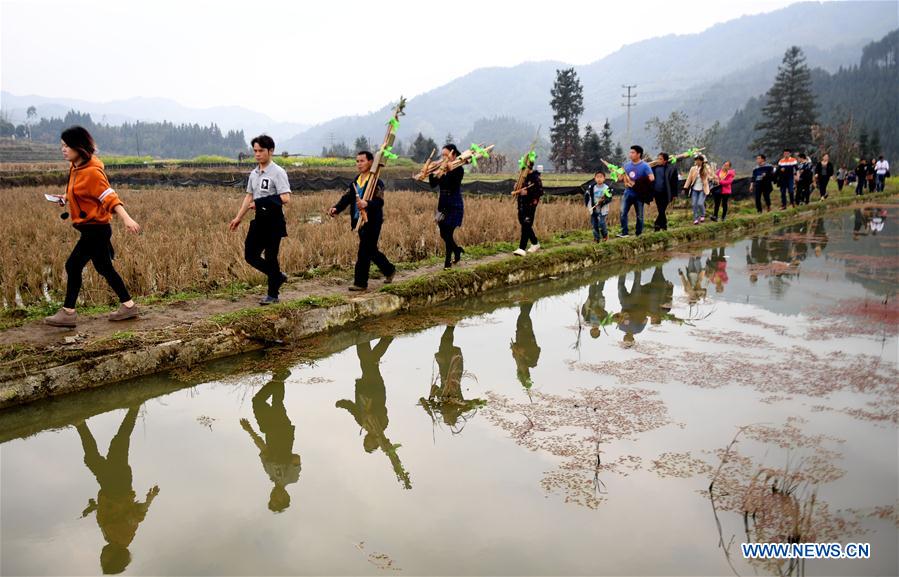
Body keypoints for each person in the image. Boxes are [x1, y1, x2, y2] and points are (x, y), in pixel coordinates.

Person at [45, 126, 142, 328]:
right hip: (90, 228)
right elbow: (81, 192)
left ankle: (68, 312)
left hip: (96, 229)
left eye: (67, 146)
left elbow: (109, 197)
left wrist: (126, 218)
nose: (63, 149)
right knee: (104, 268)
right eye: (62, 145)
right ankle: (129, 306)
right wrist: (65, 198)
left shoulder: (92, 172)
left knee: (73, 265)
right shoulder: (75, 167)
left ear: (79, 147)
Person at [76, 406, 158, 575]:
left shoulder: (112, 538)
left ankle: (82, 423)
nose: (101, 555)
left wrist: (94, 507)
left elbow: (113, 514)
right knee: (116, 444)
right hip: (118, 486)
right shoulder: (123, 536)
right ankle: (81, 423)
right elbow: (135, 515)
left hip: (111, 488)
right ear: (114, 557)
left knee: (106, 451)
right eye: (104, 559)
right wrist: (150, 499)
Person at [336, 338, 411, 489]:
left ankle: (366, 339)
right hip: (376, 390)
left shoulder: (362, 423)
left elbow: (353, 409)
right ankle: (379, 339)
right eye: (369, 444)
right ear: (376, 444)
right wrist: (372, 413)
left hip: (365, 387)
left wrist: (342, 404)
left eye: (365, 443)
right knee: (368, 362)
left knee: (368, 361)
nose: (366, 441)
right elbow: (382, 410)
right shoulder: (382, 425)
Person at [229, 135, 291, 305]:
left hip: (274, 221)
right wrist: (238, 217)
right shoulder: (254, 173)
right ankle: (277, 276)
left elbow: (285, 198)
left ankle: (273, 295)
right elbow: (249, 196)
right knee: (250, 255)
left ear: (271, 151)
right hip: (259, 221)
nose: (257, 154)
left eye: (261, 151)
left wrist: (262, 202)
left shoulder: (278, 172)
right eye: (255, 151)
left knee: (271, 257)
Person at [329, 150, 396, 291]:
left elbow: (379, 202)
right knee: (371, 250)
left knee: (364, 251)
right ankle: (389, 270)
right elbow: (346, 198)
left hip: (373, 221)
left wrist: (367, 204)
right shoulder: (356, 180)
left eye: (362, 161)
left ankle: (360, 283)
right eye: (357, 161)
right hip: (358, 221)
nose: (359, 164)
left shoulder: (377, 182)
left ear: (371, 162)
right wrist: (336, 208)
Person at [240, 368, 301, 513]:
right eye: (276, 499)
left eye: (271, 498)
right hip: (283, 434)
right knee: (274, 403)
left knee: (263, 402)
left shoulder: (271, 474)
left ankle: (278, 376)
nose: (273, 496)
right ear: (285, 496)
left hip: (270, 432)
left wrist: (249, 430)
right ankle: (278, 377)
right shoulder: (291, 478)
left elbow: (263, 449)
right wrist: (284, 461)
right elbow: (296, 458)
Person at [429, 144, 465, 269]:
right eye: (442, 155)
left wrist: (444, 173)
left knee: (448, 233)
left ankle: (447, 263)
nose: (443, 157)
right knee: (443, 234)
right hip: (443, 204)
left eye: (446, 155)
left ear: (453, 155)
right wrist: (432, 171)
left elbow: (452, 185)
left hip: (454, 204)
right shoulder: (441, 168)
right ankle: (457, 250)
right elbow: (433, 184)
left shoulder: (458, 169)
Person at [617, 145, 654, 237]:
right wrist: (618, 175)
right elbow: (620, 178)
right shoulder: (626, 165)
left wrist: (638, 183)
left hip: (639, 194)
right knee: (622, 212)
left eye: (632, 152)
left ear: (638, 154)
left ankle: (639, 233)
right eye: (630, 152)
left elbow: (652, 178)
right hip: (628, 193)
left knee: (640, 215)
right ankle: (624, 232)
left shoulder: (645, 166)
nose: (630, 154)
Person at [512, 162, 544, 256]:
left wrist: (528, 192)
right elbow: (518, 189)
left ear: (529, 168)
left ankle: (522, 248)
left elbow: (540, 192)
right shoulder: (522, 178)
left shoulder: (535, 178)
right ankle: (535, 243)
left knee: (526, 225)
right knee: (524, 224)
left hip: (530, 206)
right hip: (521, 205)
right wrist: (516, 189)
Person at [651, 152, 679, 231]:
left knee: (662, 209)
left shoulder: (671, 169)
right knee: (660, 209)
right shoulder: (654, 168)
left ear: (665, 161)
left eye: (660, 159)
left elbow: (674, 182)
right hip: (657, 192)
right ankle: (663, 225)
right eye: (658, 158)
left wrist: (674, 194)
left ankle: (657, 224)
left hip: (666, 193)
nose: (658, 160)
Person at [584, 169, 612, 242]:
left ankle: (605, 235)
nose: (599, 179)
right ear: (595, 178)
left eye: (601, 177)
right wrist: (587, 205)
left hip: (603, 209)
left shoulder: (606, 188)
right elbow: (587, 196)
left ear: (604, 178)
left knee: (601, 223)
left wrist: (603, 201)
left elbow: (609, 198)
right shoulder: (592, 188)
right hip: (594, 209)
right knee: (594, 224)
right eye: (597, 177)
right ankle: (596, 238)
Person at [683, 154, 711, 224]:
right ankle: (695, 218)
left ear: (702, 161)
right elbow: (689, 178)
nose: (697, 162)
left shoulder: (706, 168)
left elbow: (709, 175)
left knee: (700, 203)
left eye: (699, 160)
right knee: (694, 204)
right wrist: (685, 187)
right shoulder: (693, 169)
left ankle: (702, 214)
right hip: (695, 189)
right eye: (696, 160)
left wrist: (705, 169)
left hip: (703, 189)